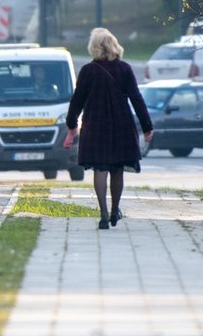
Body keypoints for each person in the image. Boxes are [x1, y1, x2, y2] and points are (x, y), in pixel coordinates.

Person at [63, 27, 154, 230]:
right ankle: (115, 210)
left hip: (95, 124)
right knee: (117, 168)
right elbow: (136, 99)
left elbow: (76, 102)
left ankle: (103, 214)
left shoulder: (87, 71)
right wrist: (147, 126)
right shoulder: (125, 69)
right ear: (114, 45)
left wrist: (71, 124)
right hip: (121, 123)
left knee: (100, 168)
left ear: (93, 48)